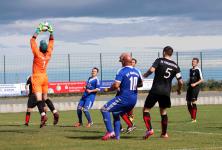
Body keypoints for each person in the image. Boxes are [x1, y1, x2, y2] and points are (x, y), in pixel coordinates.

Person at [142, 46, 183, 139]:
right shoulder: (176, 66)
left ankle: (149, 129)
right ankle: (164, 134)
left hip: (156, 90)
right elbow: (180, 81)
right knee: (163, 112)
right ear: (171, 53)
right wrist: (179, 90)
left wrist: (144, 76)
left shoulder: (159, 60)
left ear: (164, 52)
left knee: (146, 110)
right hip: (166, 92)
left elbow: (152, 70)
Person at [101, 53, 143, 140]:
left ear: (124, 61)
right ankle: (117, 136)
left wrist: (107, 90)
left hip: (124, 98)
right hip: (134, 99)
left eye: (121, 61)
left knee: (104, 109)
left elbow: (116, 86)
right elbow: (141, 84)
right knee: (116, 113)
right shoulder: (136, 71)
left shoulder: (122, 70)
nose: (120, 62)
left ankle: (110, 131)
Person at [30, 22, 55, 128]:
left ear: (40, 48)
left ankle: (43, 115)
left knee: (39, 99)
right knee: (45, 98)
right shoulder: (48, 54)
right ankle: (54, 112)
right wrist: (51, 32)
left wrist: (38, 30)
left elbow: (32, 40)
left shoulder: (37, 54)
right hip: (45, 77)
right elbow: (51, 42)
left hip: (37, 77)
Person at [120, 58, 139, 133]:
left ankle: (129, 126)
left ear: (135, 64)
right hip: (122, 93)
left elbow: (140, 83)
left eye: (133, 62)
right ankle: (122, 127)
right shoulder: (123, 70)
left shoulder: (137, 71)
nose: (132, 63)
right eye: (131, 62)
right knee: (118, 111)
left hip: (131, 95)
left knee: (128, 112)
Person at [186, 58, 204, 122]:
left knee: (193, 101)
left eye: (194, 62)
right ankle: (192, 117)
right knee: (188, 102)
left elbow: (202, 79)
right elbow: (191, 79)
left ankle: (194, 119)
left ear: (197, 63)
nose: (193, 63)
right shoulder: (190, 70)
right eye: (192, 61)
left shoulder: (198, 70)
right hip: (190, 87)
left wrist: (195, 84)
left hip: (195, 88)